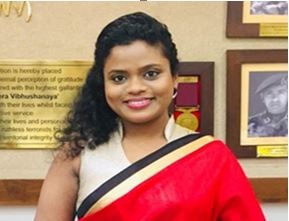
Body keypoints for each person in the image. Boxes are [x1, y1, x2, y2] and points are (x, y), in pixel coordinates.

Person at [34, 12, 265, 221]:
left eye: (151, 74)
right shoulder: (76, 155)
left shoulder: (213, 158)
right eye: (118, 78)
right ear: (102, 84)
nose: (135, 87)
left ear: (174, 78)